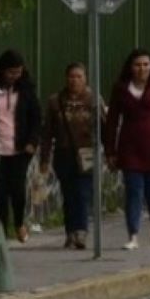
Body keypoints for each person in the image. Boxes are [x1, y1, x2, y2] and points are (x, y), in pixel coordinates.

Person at [106, 48, 150, 251]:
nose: (142, 68)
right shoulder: (120, 89)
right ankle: (133, 235)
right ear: (130, 67)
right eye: (138, 65)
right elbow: (111, 121)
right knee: (133, 193)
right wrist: (110, 151)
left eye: (146, 64)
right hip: (129, 150)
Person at [39, 63, 104, 250]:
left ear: (85, 79)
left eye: (79, 77)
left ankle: (81, 231)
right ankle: (70, 232)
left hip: (86, 154)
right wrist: (44, 159)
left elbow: (104, 127)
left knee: (83, 193)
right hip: (63, 153)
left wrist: (110, 153)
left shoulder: (93, 100)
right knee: (69, 194)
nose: (75, 80)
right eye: (71, 77)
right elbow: (47, 133)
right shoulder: (55, 101)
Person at [0, 49, 42, 243]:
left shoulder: (26, 91)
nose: (15, 76)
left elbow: (36, 119)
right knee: (1, 193)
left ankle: (19, 222)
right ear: (2, 71)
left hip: (20, 149)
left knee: (18, 190)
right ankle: (2, 233)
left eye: (18, 72)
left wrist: (32, 142)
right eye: (11, 72)